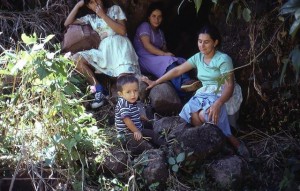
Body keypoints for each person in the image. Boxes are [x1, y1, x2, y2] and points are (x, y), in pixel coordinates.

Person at [142, 24, 249, 158]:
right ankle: (215, 144)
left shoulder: (223, 59)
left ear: (215, 42)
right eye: (200, 41)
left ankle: (232, 140)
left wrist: (218, 103)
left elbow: (229, 86)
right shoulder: (198, 57)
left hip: (222, 93)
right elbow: (177, 70)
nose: (202, 45)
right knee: (192, 115)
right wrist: (155, 82)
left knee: (205, 116)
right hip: (205, 93)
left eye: (206, 42)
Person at [64, 0, 140, 109]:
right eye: (91, 2)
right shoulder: (91, 18)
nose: (95, 3)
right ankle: (98, 88)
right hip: (104, 51)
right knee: (77, 59)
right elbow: (67, 23)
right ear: (88, 6)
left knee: (124, 82)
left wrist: (103, 15)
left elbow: (122, 31)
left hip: (120, 47)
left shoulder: (115, 9)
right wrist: (78, 5)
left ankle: (126, 111)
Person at [133, 2, 200, 99]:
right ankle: (185, 84)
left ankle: (188, 86)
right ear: (148, 17)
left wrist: (170, 54)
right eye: (154, 16)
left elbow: (164, 49)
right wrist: (164, 54)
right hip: (144, 58)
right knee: (168, 60)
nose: (157, 19)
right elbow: (147, 45)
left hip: (156, 58)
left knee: (179, 60)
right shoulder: (145, 26)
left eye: (159, 17)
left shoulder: (160, 33)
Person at [115, 74, 164, 150]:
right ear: (120, 94)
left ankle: (155, 139)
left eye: (135, 90)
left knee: (148, 124)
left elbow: (131, 113)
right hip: (128, 132)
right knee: (152, 134)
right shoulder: (124, 104)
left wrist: (140, 117)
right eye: (128, 92)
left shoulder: (128, 100)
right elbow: (126, 120)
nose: (133, 95)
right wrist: (136, 131)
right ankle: (164, 145)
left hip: (133, 126)